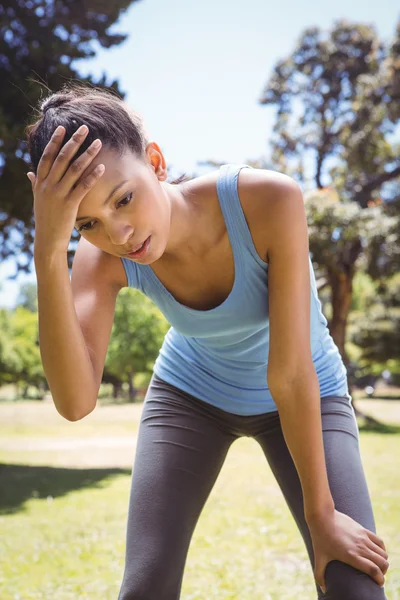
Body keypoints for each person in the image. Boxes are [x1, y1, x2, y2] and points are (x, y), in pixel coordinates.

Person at [26, 82, 389, 600]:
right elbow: (76, 401)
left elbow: (288, 374)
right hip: (190, 397)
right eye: (88, 223)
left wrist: (322, 515)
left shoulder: (267, 199)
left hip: (308, 391)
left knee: (355, 585)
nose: (120, 234)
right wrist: (48, 250)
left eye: (123, 199)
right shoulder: (100, 256)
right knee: (145, 589)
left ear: (155, 161)